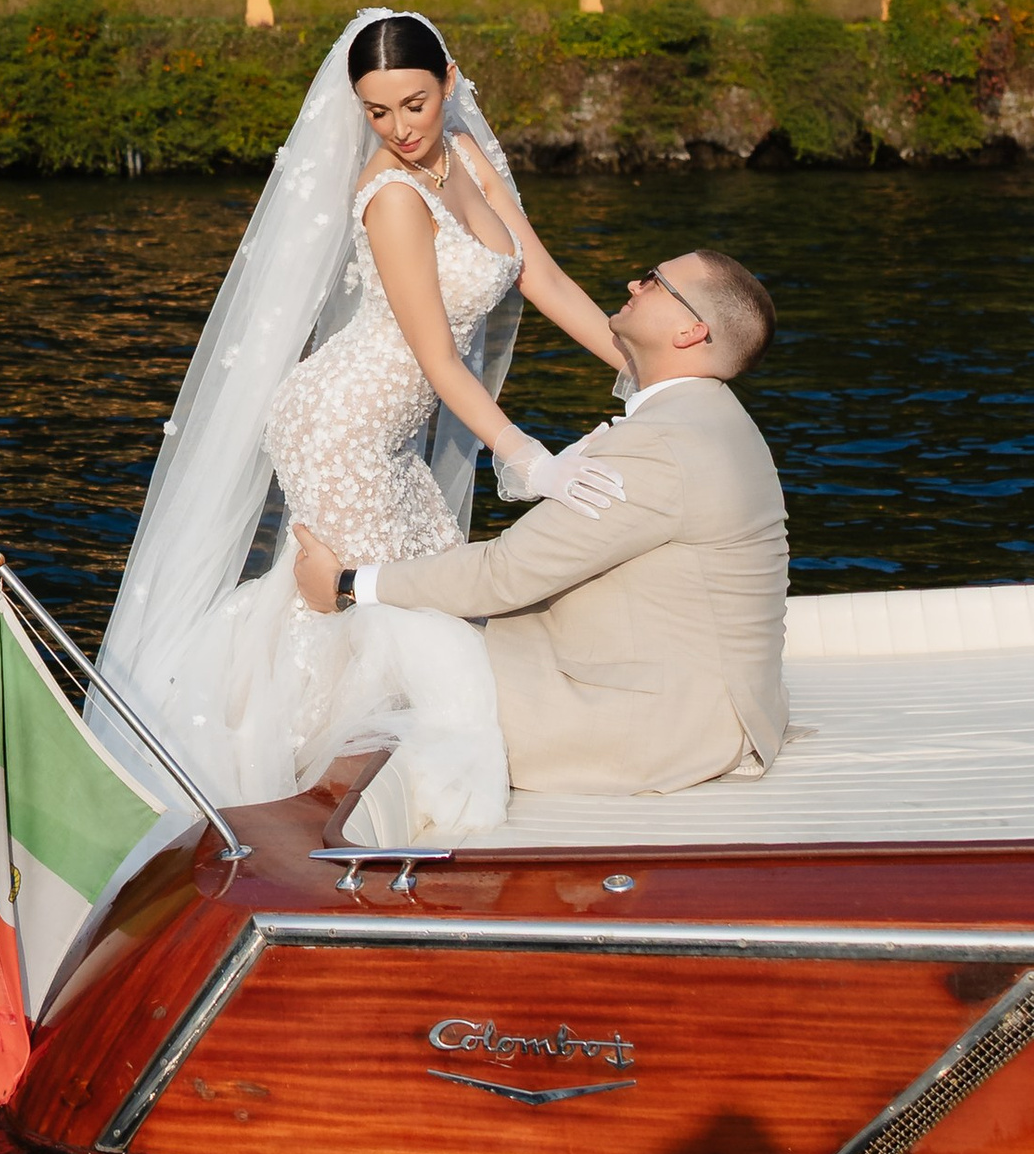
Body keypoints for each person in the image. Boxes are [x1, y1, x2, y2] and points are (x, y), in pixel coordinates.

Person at [90, 9, 632, 837]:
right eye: (377, 112)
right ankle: (288, 808)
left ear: (448, 83)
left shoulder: (468, 155)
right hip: (337, 425)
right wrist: (530, 458)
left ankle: (310, 787)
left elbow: (543, 277)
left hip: (387, 430)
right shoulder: (391, 195)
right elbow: (438, 358)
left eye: (414, 103)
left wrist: (638, 366)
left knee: (413, 594)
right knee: (366, 611)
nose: (400, 127)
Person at [289, 246, 789, 810]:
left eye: (653, 281)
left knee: (387, 642)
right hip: (709, 700)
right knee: (424, 627)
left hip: (660, 729)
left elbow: (504, 575)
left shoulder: (661, 445)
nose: (632, 283)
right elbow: (539, 269)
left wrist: (346, 586)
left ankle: (300, 805)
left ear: (690, 330)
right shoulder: (710, 415)